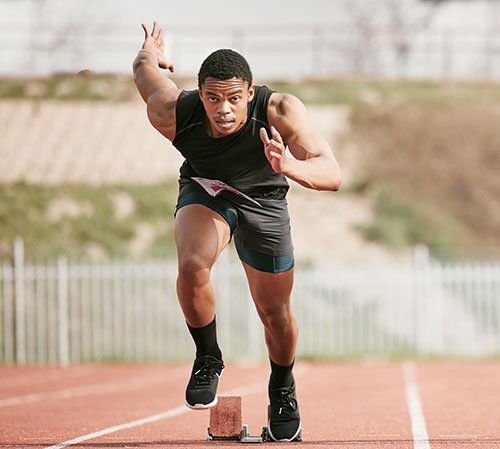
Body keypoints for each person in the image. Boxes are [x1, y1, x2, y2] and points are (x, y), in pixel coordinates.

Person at [133, 21, 342, 442]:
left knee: (275, 313)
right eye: (212, 98)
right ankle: (208, 358)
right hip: (207, 190)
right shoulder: (173, 112)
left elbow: (332, 173)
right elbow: (143, 70)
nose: (223, 110)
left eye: (232, 98)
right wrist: (151, 52)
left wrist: (289, 166)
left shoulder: (279, 110)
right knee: (192, 264)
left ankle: (282, 387)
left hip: (265, 198)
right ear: (200, 95)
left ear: (249, 93)